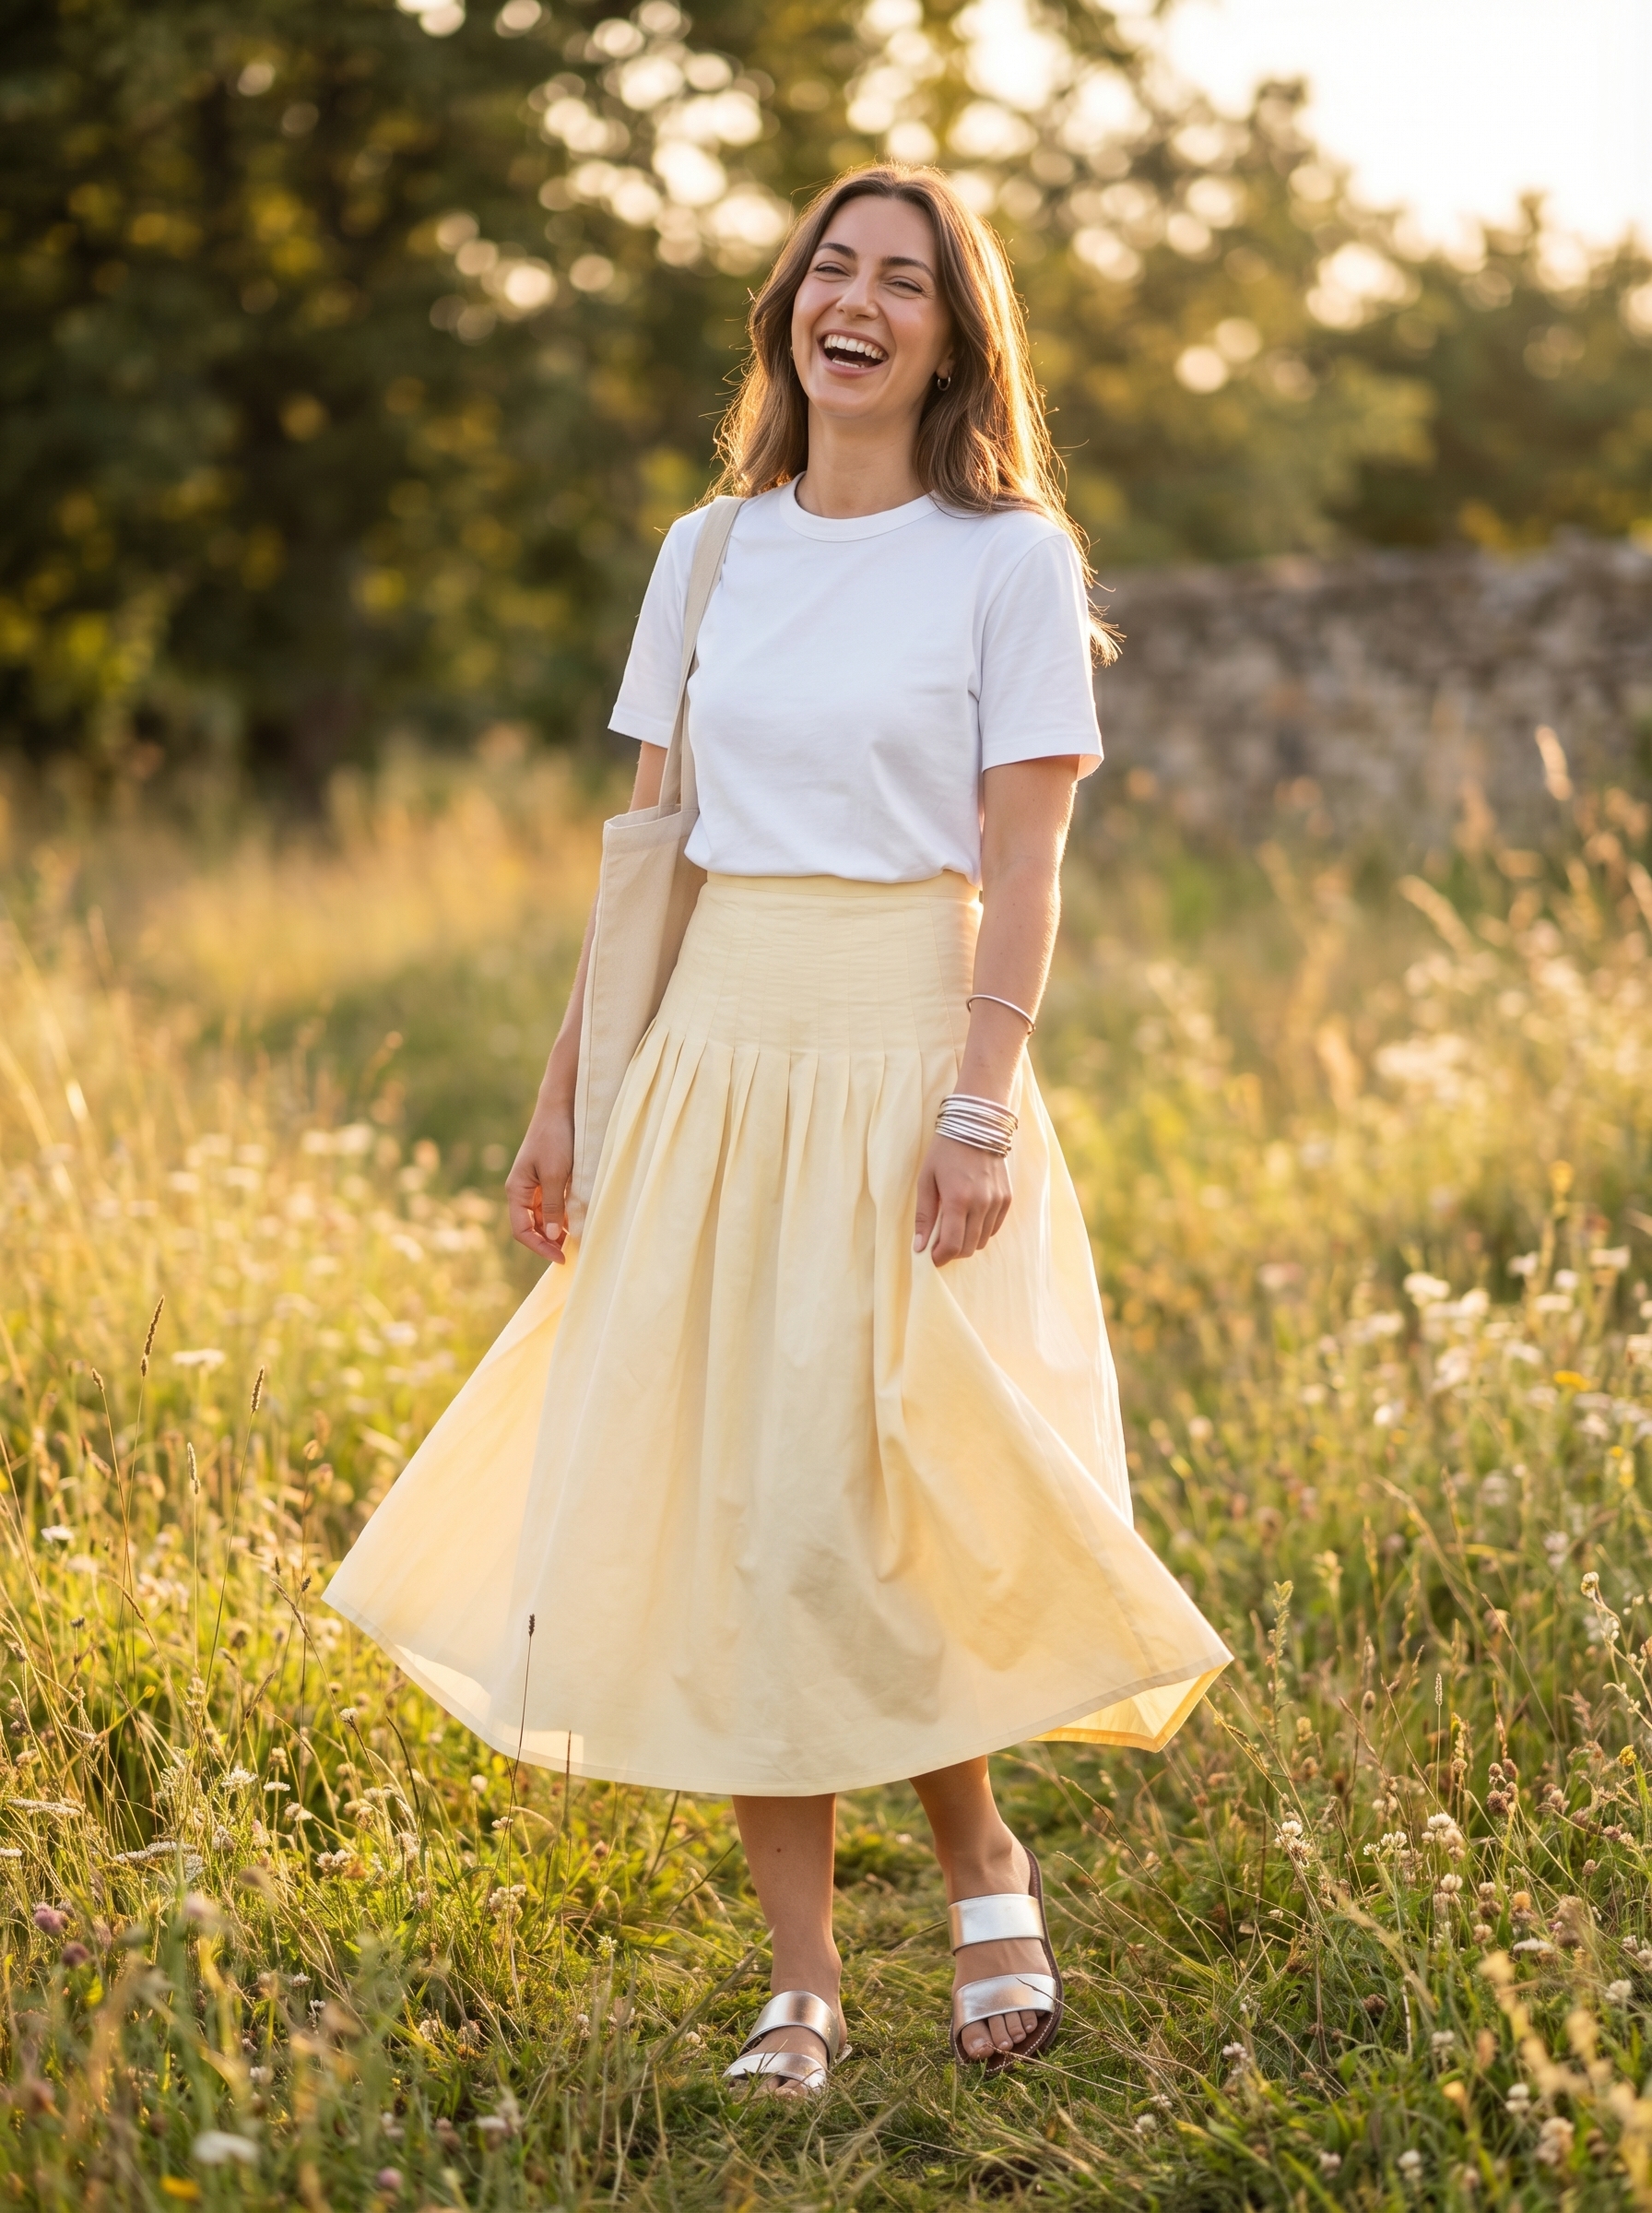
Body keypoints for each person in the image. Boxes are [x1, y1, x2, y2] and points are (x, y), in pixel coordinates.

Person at [325, 163, 1229, 2093]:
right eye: (834, 264)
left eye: (904, 280)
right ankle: (802, 1977)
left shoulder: (1004, 557)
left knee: (869, 1495)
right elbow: (647, 856)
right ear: (787, 309)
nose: (860, 299)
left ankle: (978, 1847)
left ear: (947, 337)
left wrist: (976, 1102)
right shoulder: (708, 552)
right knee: (746, 1509)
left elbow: (1026, 856)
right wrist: (571, 1097)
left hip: (904, 1041)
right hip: (714, 1053)